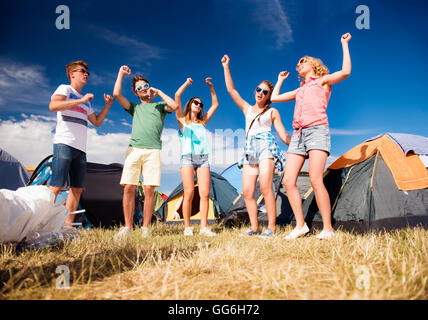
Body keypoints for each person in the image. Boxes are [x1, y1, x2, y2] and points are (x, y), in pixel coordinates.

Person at [271, 33, 352, 240]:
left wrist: (344, 44)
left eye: (303, 61)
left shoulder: (323, 81)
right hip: (297, 135)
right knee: (288, 180)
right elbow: (274, 97)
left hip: (317, 130)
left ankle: (328, 228)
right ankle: (300, 225)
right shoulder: (300, 90)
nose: (299, 63)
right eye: (298, 62)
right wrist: (279, 80)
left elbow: (345, 72)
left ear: (314, 65)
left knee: (316, 178)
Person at [221, 54, 291, 238]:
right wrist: (226, 67)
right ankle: (254, 228)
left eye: (265, 91)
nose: (260, 93)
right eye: (258, 89)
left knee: (266, 188)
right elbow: (231, 90)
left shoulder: (273, 112)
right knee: (247, 191)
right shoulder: (247, 109)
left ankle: (271, 228)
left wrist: (297, 145)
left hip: (266, 146)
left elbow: (283, 135)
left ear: (269, 96)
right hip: (249, 149)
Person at [113, 65, 178, 240]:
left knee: (149, 189)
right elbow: (117, 95)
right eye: (139, 88)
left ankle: (145, 228)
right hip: (134, 149)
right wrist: (120, 74)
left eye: (145, 86)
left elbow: (175, 105)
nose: (143, 89)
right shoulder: (135, 108)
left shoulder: (160, 106)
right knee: (129, 187)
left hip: (153, 151)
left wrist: (159, 91)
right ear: (136, 93)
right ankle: (127, 227)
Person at [49, 60, 113, 227]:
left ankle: (68, 226)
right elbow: (54, 105)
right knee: (56, 186)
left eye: (87, 72)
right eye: (82, 71)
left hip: (80, 149)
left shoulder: (87, 102)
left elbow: (97, 121)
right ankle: (43, 223)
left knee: (76, 188)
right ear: (72, 74)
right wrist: (80, 100)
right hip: (64, 144)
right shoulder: (65, 89)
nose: (86, 74)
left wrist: (108, 105)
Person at [174, 77, 219, 237]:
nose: (199, 106)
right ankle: (187, 227)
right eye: (196, 103)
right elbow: (177, 96)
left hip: (203, 159)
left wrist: (211, 87)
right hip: (187, 158)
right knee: (189, 193)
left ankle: (204, 227)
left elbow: (215, 105)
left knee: (205, 193)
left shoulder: (203, 122)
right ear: (190, 105)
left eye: (200, 104)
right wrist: (186, 83)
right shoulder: (182, 121)